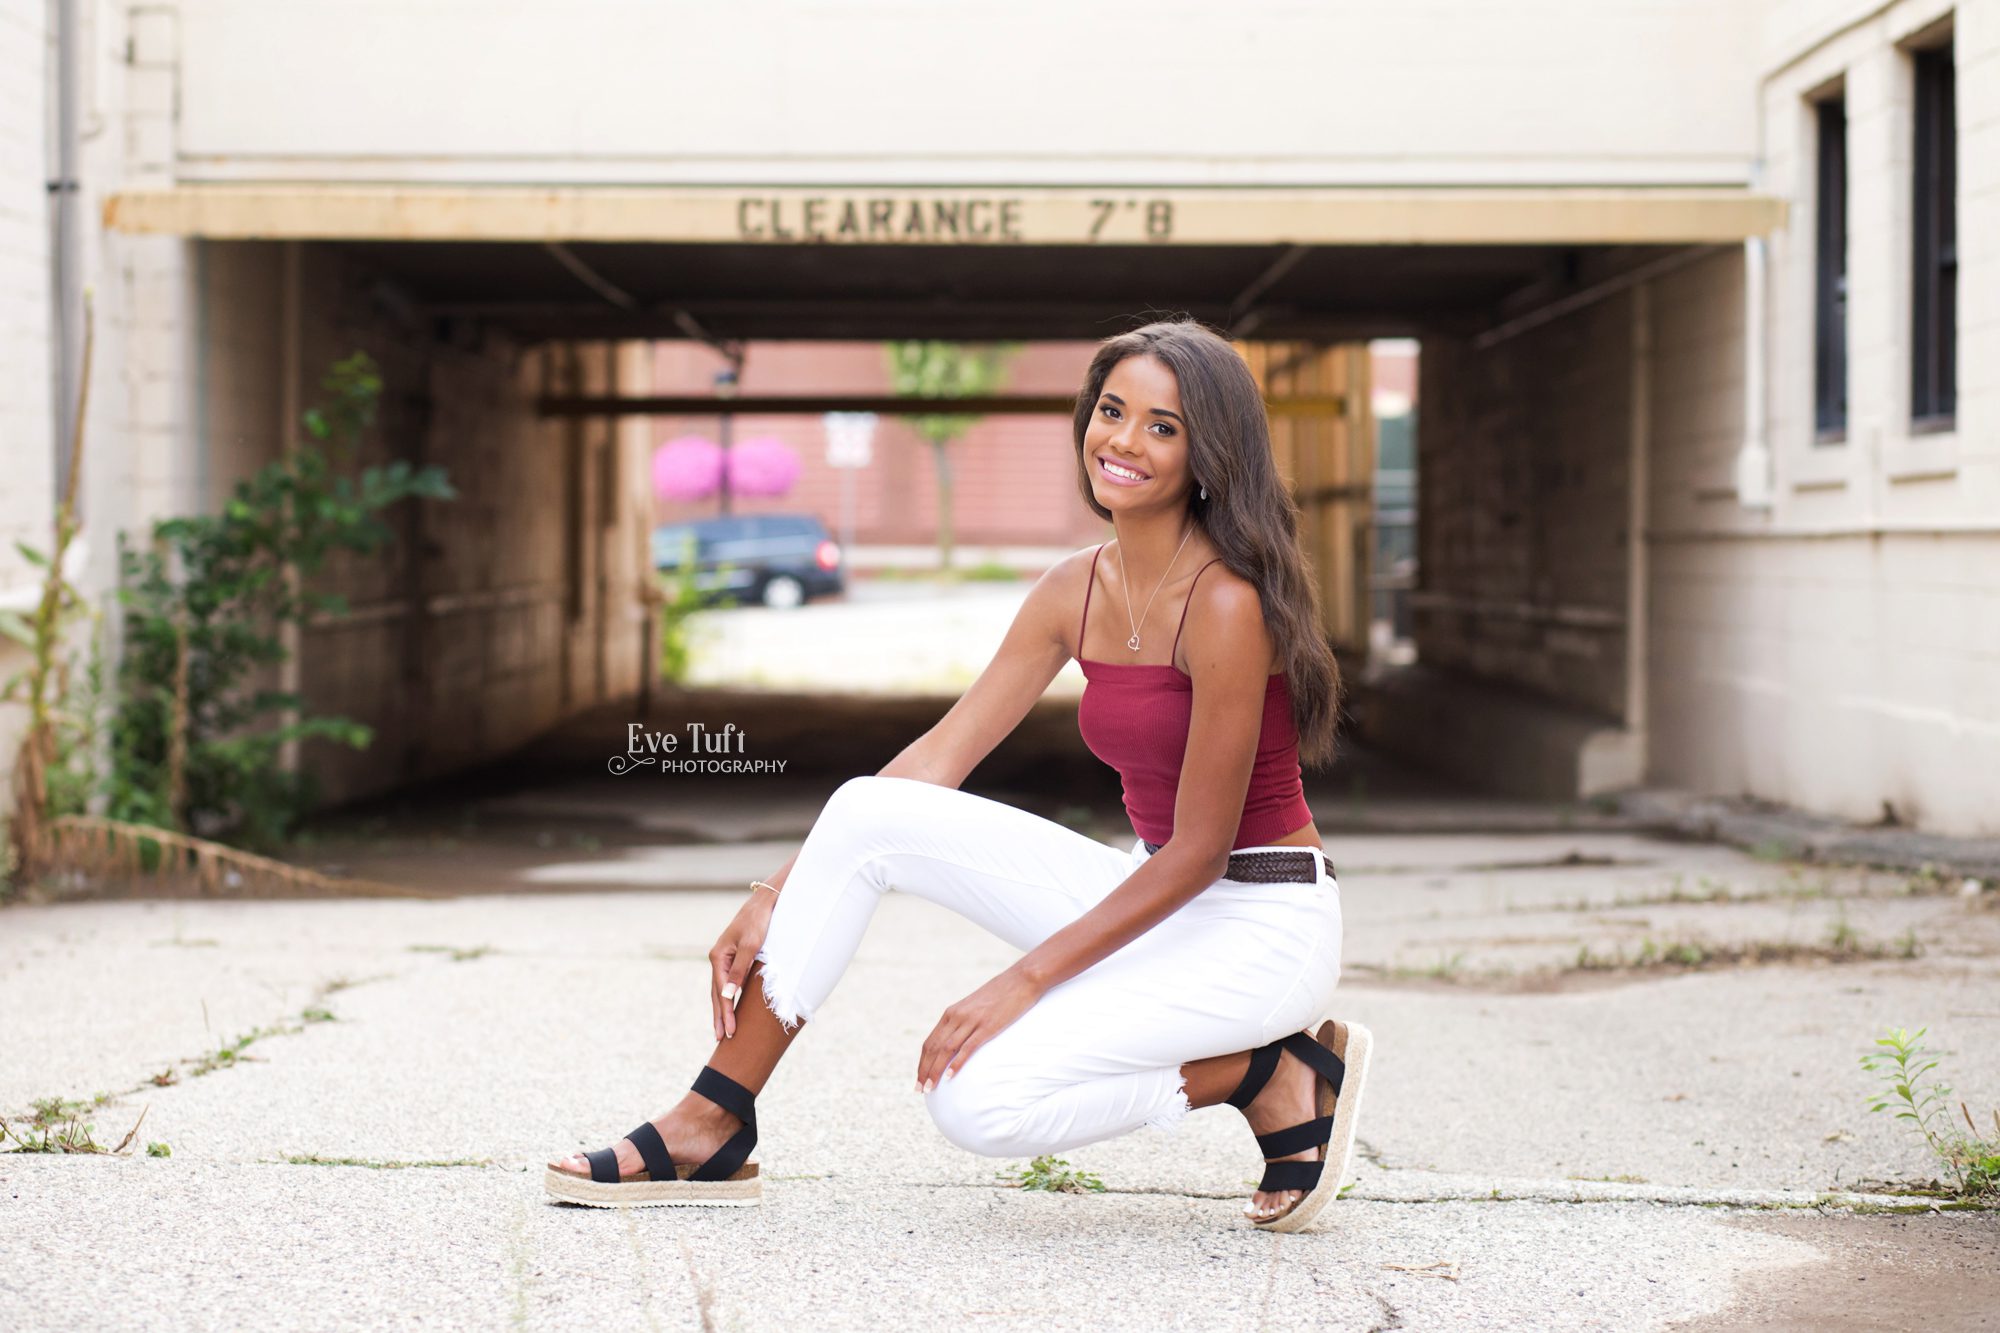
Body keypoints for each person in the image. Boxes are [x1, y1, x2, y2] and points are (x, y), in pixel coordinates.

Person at [545, 318, 1371, 1231]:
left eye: (1163, 426)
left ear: (1208, 451)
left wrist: (1021, 981)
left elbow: (1202, 854)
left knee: (973, 1100)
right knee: (867, 810)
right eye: (1111, 410)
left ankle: (1270, 1070)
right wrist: (781, 888)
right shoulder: (1073, 588)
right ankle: (714, 1116)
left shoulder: (1227, 603)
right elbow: (936, 759)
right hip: (1153, 894)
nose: (1124, 441)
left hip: (1259, 921)